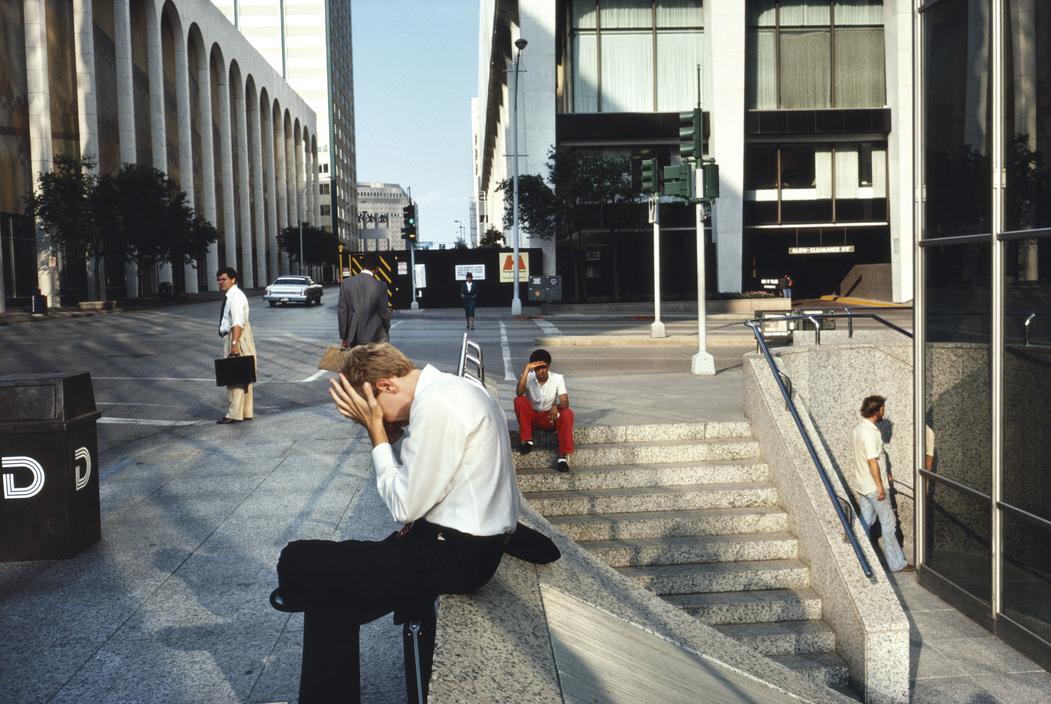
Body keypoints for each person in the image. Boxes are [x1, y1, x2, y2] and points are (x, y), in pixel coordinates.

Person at [272, 343, 521, 703]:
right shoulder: (453, 389)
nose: (386, 419)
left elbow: (403, 505)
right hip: (458, 545)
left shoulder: (436, 405)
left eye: (375, 409)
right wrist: (390, 434)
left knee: (297, 558)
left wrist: (376, 435)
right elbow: (426, 477)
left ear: (386, 385)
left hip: (454, 555)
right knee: (329, 596)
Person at [851, 395, 913, 573]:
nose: (884, 411)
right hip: (873, 487)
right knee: (889, 523)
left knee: (866, 521)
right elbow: (872, 461)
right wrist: (880, 486)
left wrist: (888, 475)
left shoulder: (859, 428)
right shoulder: (870, 433)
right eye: (883, 408)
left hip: (863, 485)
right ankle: (897, 563)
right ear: (876, 410)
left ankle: (855, 554)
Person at [514, 348, 574, 473]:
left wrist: (556, 406)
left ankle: (562, 457)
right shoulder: (528, 377)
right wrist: (526, 369)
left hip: (549, 418)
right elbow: (519, 392)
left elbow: (565, 402)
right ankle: (527, 440)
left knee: (567, 413)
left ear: (548, 366)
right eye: (538, 368)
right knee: (519, 400)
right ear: (533, 368)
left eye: (544, 367)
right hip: (532, 418)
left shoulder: (557, 378)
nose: (541, 370)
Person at [216, 267, 255, 424]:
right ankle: (245, 412)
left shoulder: (236, 297)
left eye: (224, 279)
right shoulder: (232, 295)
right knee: (244, 374)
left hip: (237, 335)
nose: (221, 282)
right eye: (219, 279)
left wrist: (234, 344)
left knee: (235, 376)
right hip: (238, 336)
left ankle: (233, 414)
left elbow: (237, 322)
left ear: (233, 280)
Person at [338, 253, 391, 348]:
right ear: (377, 269)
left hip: (354, 335)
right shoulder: (380, 286)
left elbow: (343, 312)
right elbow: (384, 313)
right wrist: (386, 328)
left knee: (357, 362)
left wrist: (344, 337)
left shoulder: (346, 283)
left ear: (362, 266)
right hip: (375, 335)